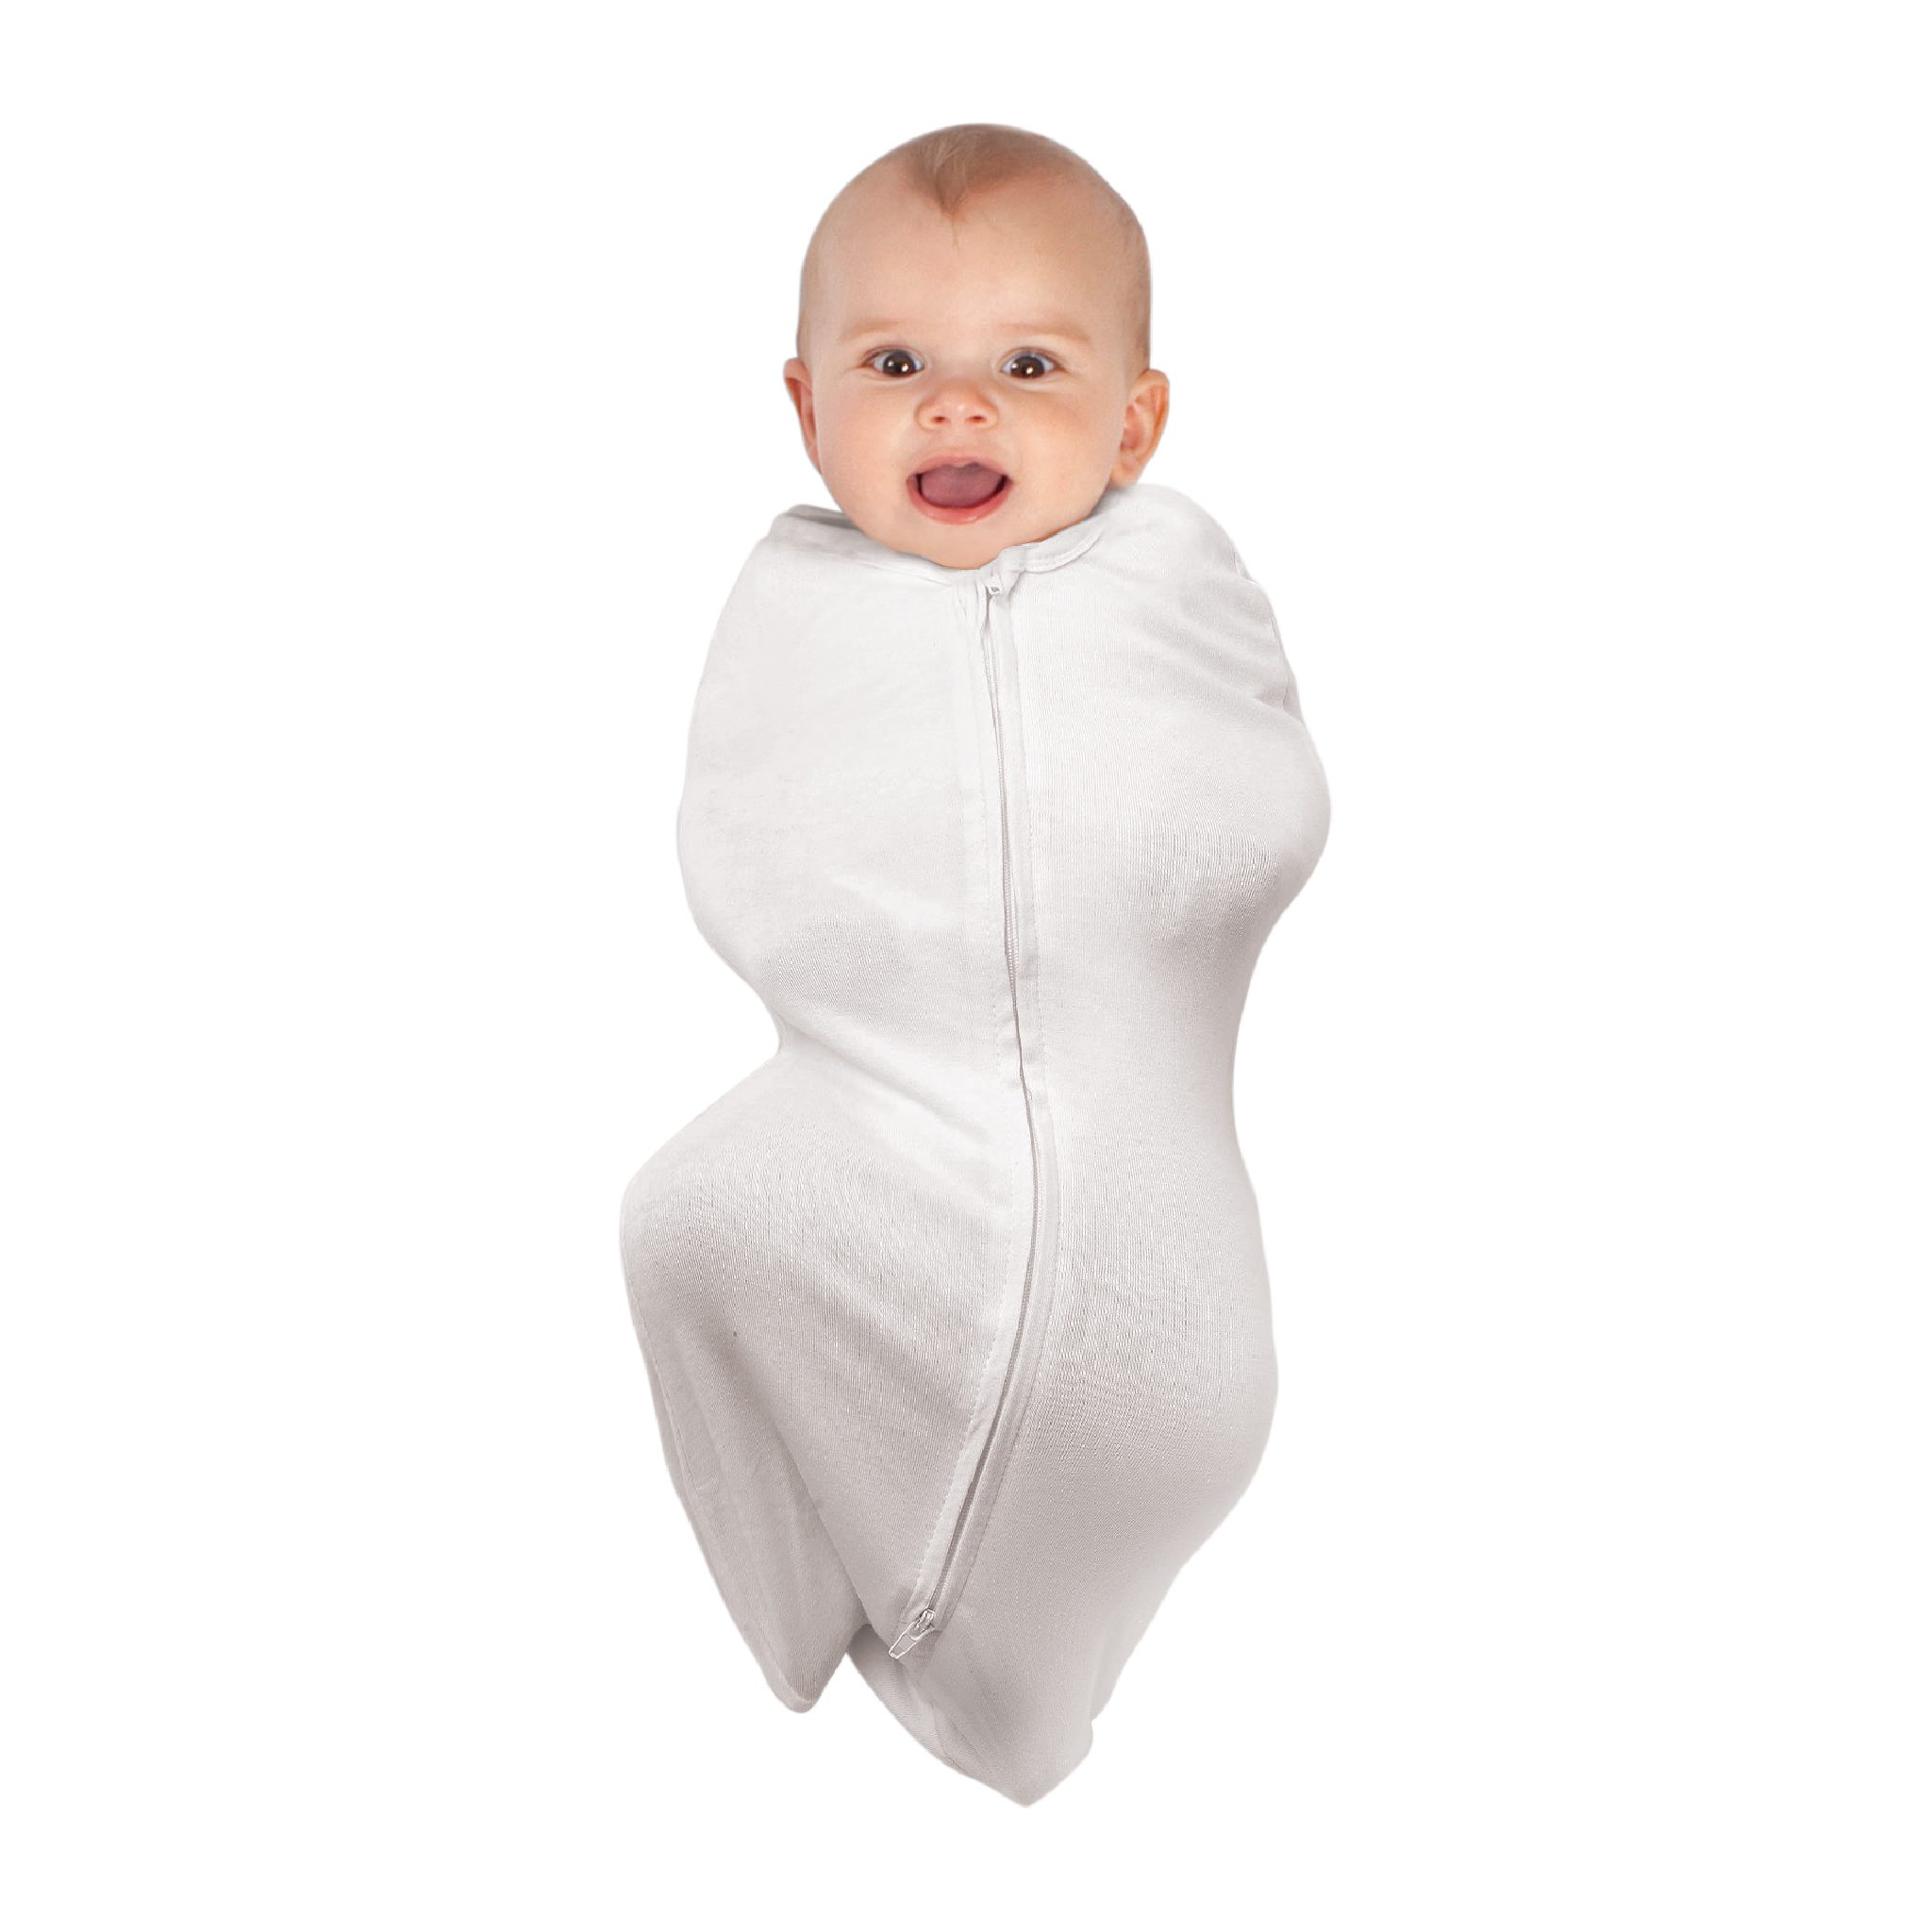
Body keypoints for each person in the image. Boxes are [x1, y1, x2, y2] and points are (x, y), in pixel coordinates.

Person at [620, 123, 1331, 1806]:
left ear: (1134, 424)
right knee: (691, 1219)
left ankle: (983, 1695)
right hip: (890, 1177)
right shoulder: (796, 609)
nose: (957, 408)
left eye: (1027, 366)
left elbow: (1267, 811)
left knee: (1024, 1632)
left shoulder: (1172, 581)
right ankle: (839, 1625)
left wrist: (1112, 860)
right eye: (896, 367)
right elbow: (749, 855)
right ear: (807, 409)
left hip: (1159, 1295)